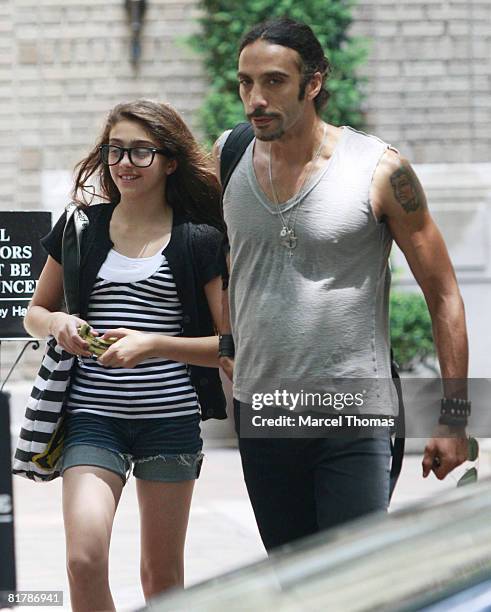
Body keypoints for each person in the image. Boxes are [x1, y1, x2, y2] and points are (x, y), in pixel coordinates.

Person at [213, 17, 470, 552]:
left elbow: (443, 293)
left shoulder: (380, 171)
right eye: (245, 82)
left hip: (356, 413)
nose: (255, 98)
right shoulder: (228, 156)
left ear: (314, 82)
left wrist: (453, 418)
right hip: (264, 409)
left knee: (352, 583)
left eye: (274, 81)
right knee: (294, 582)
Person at [24, 99, 226, 610]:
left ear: (170, 161)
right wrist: (60, 322)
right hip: (93, 419)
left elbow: (230, 347)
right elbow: (35, 314)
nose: (124, 164)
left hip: (170, 420)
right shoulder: (79, 229)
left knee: (162, 579)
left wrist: (154, 344)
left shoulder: (198, 240)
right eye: (116, 151)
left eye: (141, 152)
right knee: (83, 561)